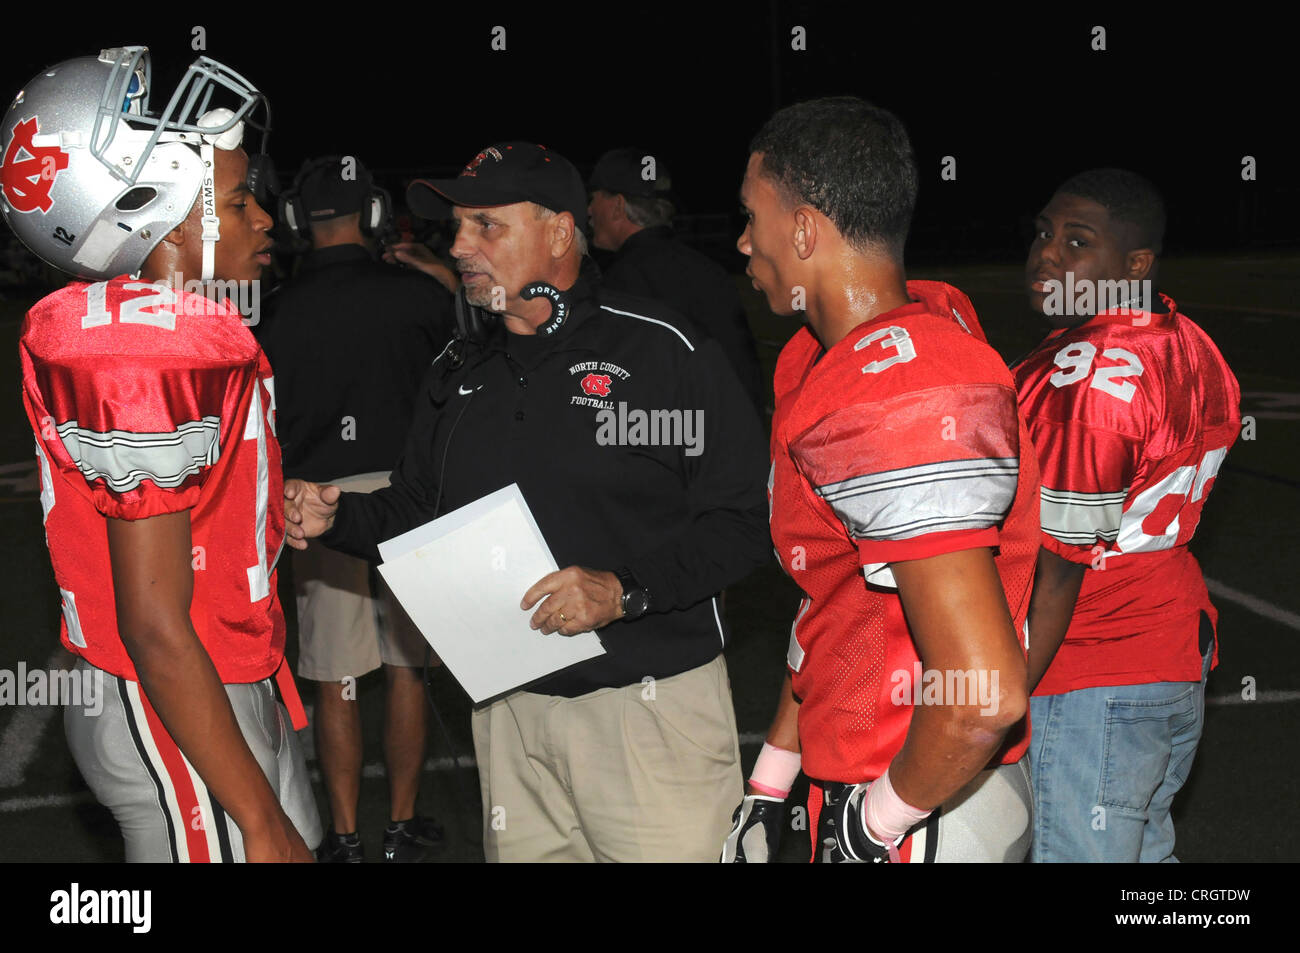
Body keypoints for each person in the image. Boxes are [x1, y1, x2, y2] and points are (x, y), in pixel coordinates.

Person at [284, 141, 770, 862]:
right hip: (508, 718)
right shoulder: (458, 368)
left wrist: (624, 590)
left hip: (647, 710)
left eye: (487, 226)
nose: (460, 246)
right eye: (458, 228)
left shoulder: (662, 353)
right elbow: (419, 505)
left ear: (559, 232)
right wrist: (339, 516)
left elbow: (742, 522)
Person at [4, 46, 319, 862]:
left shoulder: (170, 328)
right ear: (158, 216)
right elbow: (151, 619)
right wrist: (254, 816)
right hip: (171, 691)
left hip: (215, 672)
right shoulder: (141, 353)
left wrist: (257, 509)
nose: (262, 221)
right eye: (240, 199)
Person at [722, 97, 1039, 864]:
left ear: (803, 229)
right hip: (864, 773)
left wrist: (873, 825)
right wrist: (771, 783)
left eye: (751, 215)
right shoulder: (823, 358)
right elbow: (835, 600)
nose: (742, 241)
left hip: (921, 794)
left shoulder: (900, 388)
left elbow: (983, 693)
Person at [1014, 169, 1241, 862]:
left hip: (1090, 667)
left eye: (1078, 242)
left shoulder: (1084, 376)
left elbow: (1058, 570)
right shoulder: (1190, 341)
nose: (1049, 254)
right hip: (1170, 654)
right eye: (1045, 233)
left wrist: (997, 698)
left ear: (1136, 264)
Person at [256, 155, 455, 862]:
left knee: (335, 672)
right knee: (407, 666)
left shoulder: (276, 309)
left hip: (317, 502)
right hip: (406, 496)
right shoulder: (417, 295)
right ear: (373, 215)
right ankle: (399, 824)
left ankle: (344, 834)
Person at [587, 147, 765, 415]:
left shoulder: (621, 282)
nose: (589, 210)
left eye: (594, 198)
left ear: (617, 206)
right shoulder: (709, 270)